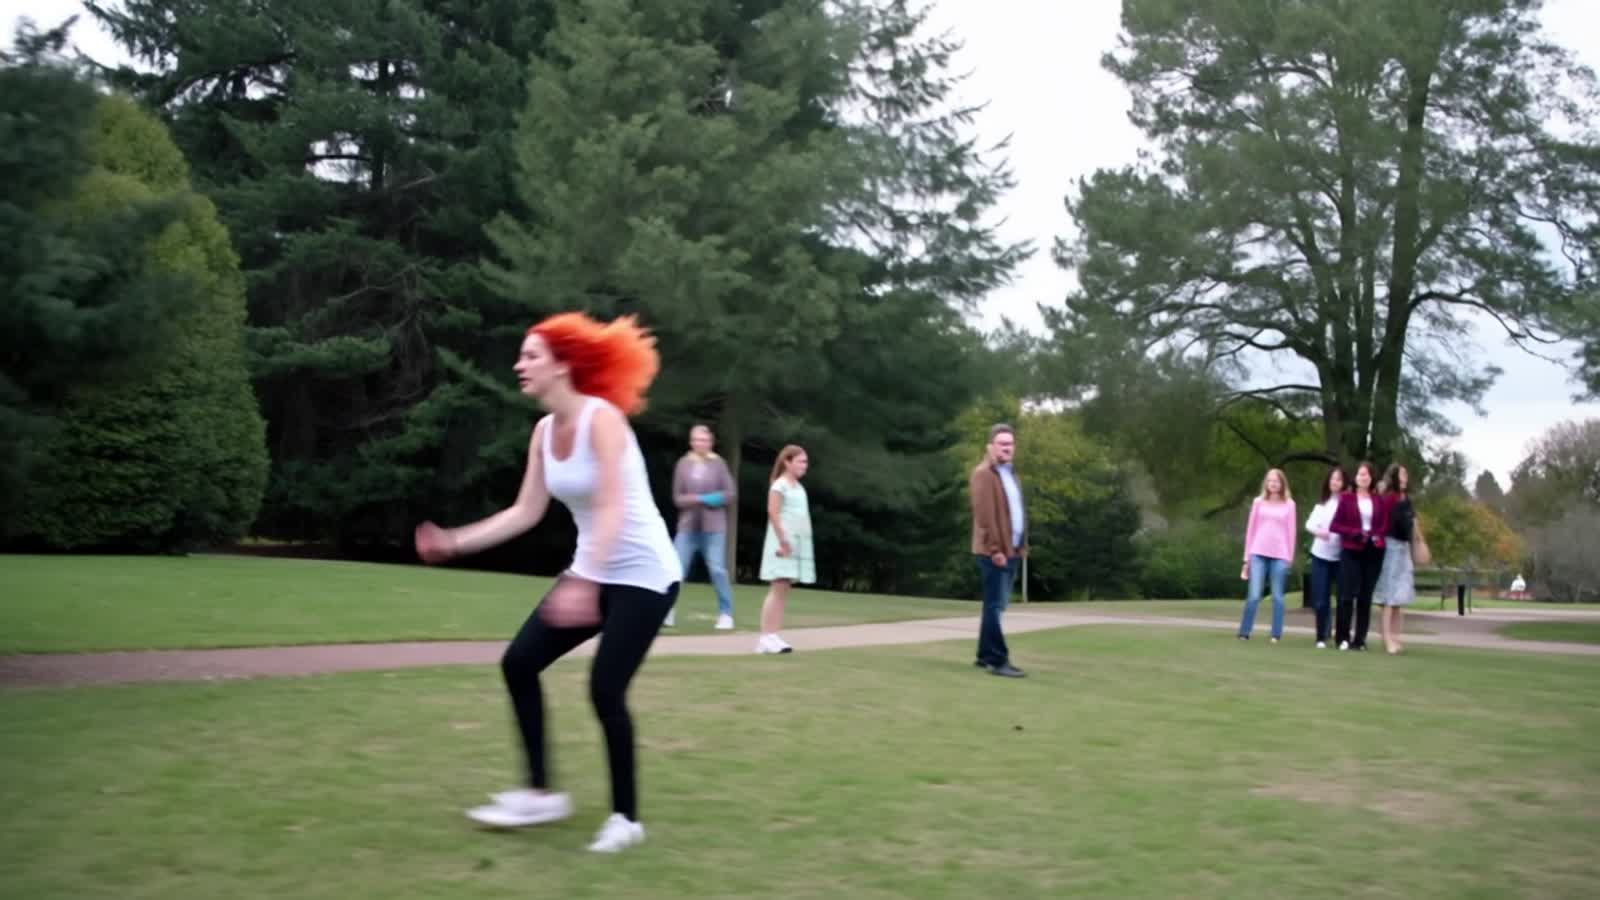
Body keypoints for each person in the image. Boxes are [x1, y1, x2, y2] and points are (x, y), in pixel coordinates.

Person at [413, 312, 681, 854]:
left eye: (531, 355)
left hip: (645, 575)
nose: (519, 364)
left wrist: (584, 584)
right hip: (593, 569)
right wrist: (455, 541)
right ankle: (540, 793)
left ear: (563, 365)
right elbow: (525, 512)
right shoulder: (542, 432)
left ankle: (626, 819)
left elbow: (608, 505)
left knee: (605, 689)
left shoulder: (601, 420)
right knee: (518, 663)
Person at [969, 424, 1027, 677]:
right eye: (1002, 443)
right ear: (990, 447)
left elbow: (1015, 513)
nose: (1007, 447)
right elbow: (984, 517)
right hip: (995, 552)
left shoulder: (1011, 474)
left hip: (1012, 550)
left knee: (995, 606)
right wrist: (995, 550)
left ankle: (984, 655)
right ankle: (997, 660)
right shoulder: (983, 474)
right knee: (994, 605)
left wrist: (1019, 545)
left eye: (1010, 443)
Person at [666, 424, 737, 630]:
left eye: (704, 440)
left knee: (717, 570)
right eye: (697, 440)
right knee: (675, 570)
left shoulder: (719, 464)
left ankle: (726, 614)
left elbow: (730, 493)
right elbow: (678, 498)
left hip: (713, 527)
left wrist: (713, 499)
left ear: (711, 442)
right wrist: (698, 499)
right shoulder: (683, 464)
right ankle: (667, 611)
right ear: (691, 442)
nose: (701, 443)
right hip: (687, 527)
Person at [755, 444, 813, 653]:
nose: (804, 466)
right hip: (781, 542)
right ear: (787, 462)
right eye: (801, 461)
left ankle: (773, 634)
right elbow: (773, 512)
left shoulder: (799, 488)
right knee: (777, 587)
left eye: (805, 462)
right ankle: (766, 637)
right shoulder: (780, 485)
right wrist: (783, 540)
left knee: (783, 589)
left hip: (795, 543)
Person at [1329, 460, 1389, 651]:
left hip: (1372, 552)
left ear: (1372, 478)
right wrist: (1355, 533)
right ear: (1355, 478)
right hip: (1351, 549)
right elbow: (1335, 525)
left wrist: (1376, 536)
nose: (1363, 477)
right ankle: (1342, 637)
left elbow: (1384, 525)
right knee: (1346, 595)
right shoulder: (1346, 499)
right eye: (1360, 474)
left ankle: (1360, 639)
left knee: (1365, 597)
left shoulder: (1379, 500)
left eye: (1366, 474)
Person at [1237, 468, 1297, 643]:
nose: (1273, 484)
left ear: (1282, 483)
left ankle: (1275, 634)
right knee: (1254, 595)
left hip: (1280, 555)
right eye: (1270, 480)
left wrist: (1289, 558)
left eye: (1277, 481)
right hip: (1257, 552)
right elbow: (1251, 530)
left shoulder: (1289, 504)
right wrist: (1246, 558)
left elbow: (1291, 532)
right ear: (1266, 483)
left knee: (1277, 596)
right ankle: (1244, 632)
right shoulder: (1258, 502)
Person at [1374, 463, 1417, 654]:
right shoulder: (1389, 498)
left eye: (1406, 474)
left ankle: (1396, 637)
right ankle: (1387, 638)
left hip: (1403, 547)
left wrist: (1417, 541)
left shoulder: (1406, 499)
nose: (1405, 477)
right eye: (1402, 474)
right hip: (1391, 547)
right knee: (1389, 596)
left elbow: (1413, 523)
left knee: (1400, 596)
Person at [1304, 466, 1348, 648]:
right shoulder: (1322, 505)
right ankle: (1321, 636)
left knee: (1343, 598)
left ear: (1344, 482)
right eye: (1332, 479)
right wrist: (1319, 532)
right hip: (1320, 556)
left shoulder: (1347, 504)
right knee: (1321, 599)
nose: (1335, 482)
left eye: (1338, 479)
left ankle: (1342, 637)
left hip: (1341, 557)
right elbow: (1309, 524)